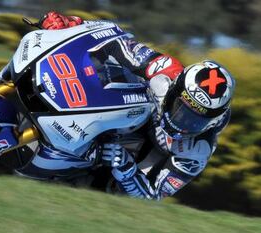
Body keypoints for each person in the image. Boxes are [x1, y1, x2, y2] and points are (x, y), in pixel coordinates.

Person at [14, 12, 235, 200]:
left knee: (107, 191)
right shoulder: (165, 69)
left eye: (194, 120)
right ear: (175, 87)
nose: (181, 121)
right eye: (180, 107)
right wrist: (71, 25)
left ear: (212, 122)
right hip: (127, 107)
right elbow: (114, 39)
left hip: (134, 158)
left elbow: (153, 195)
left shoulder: (197, 152)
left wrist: (126, 169)